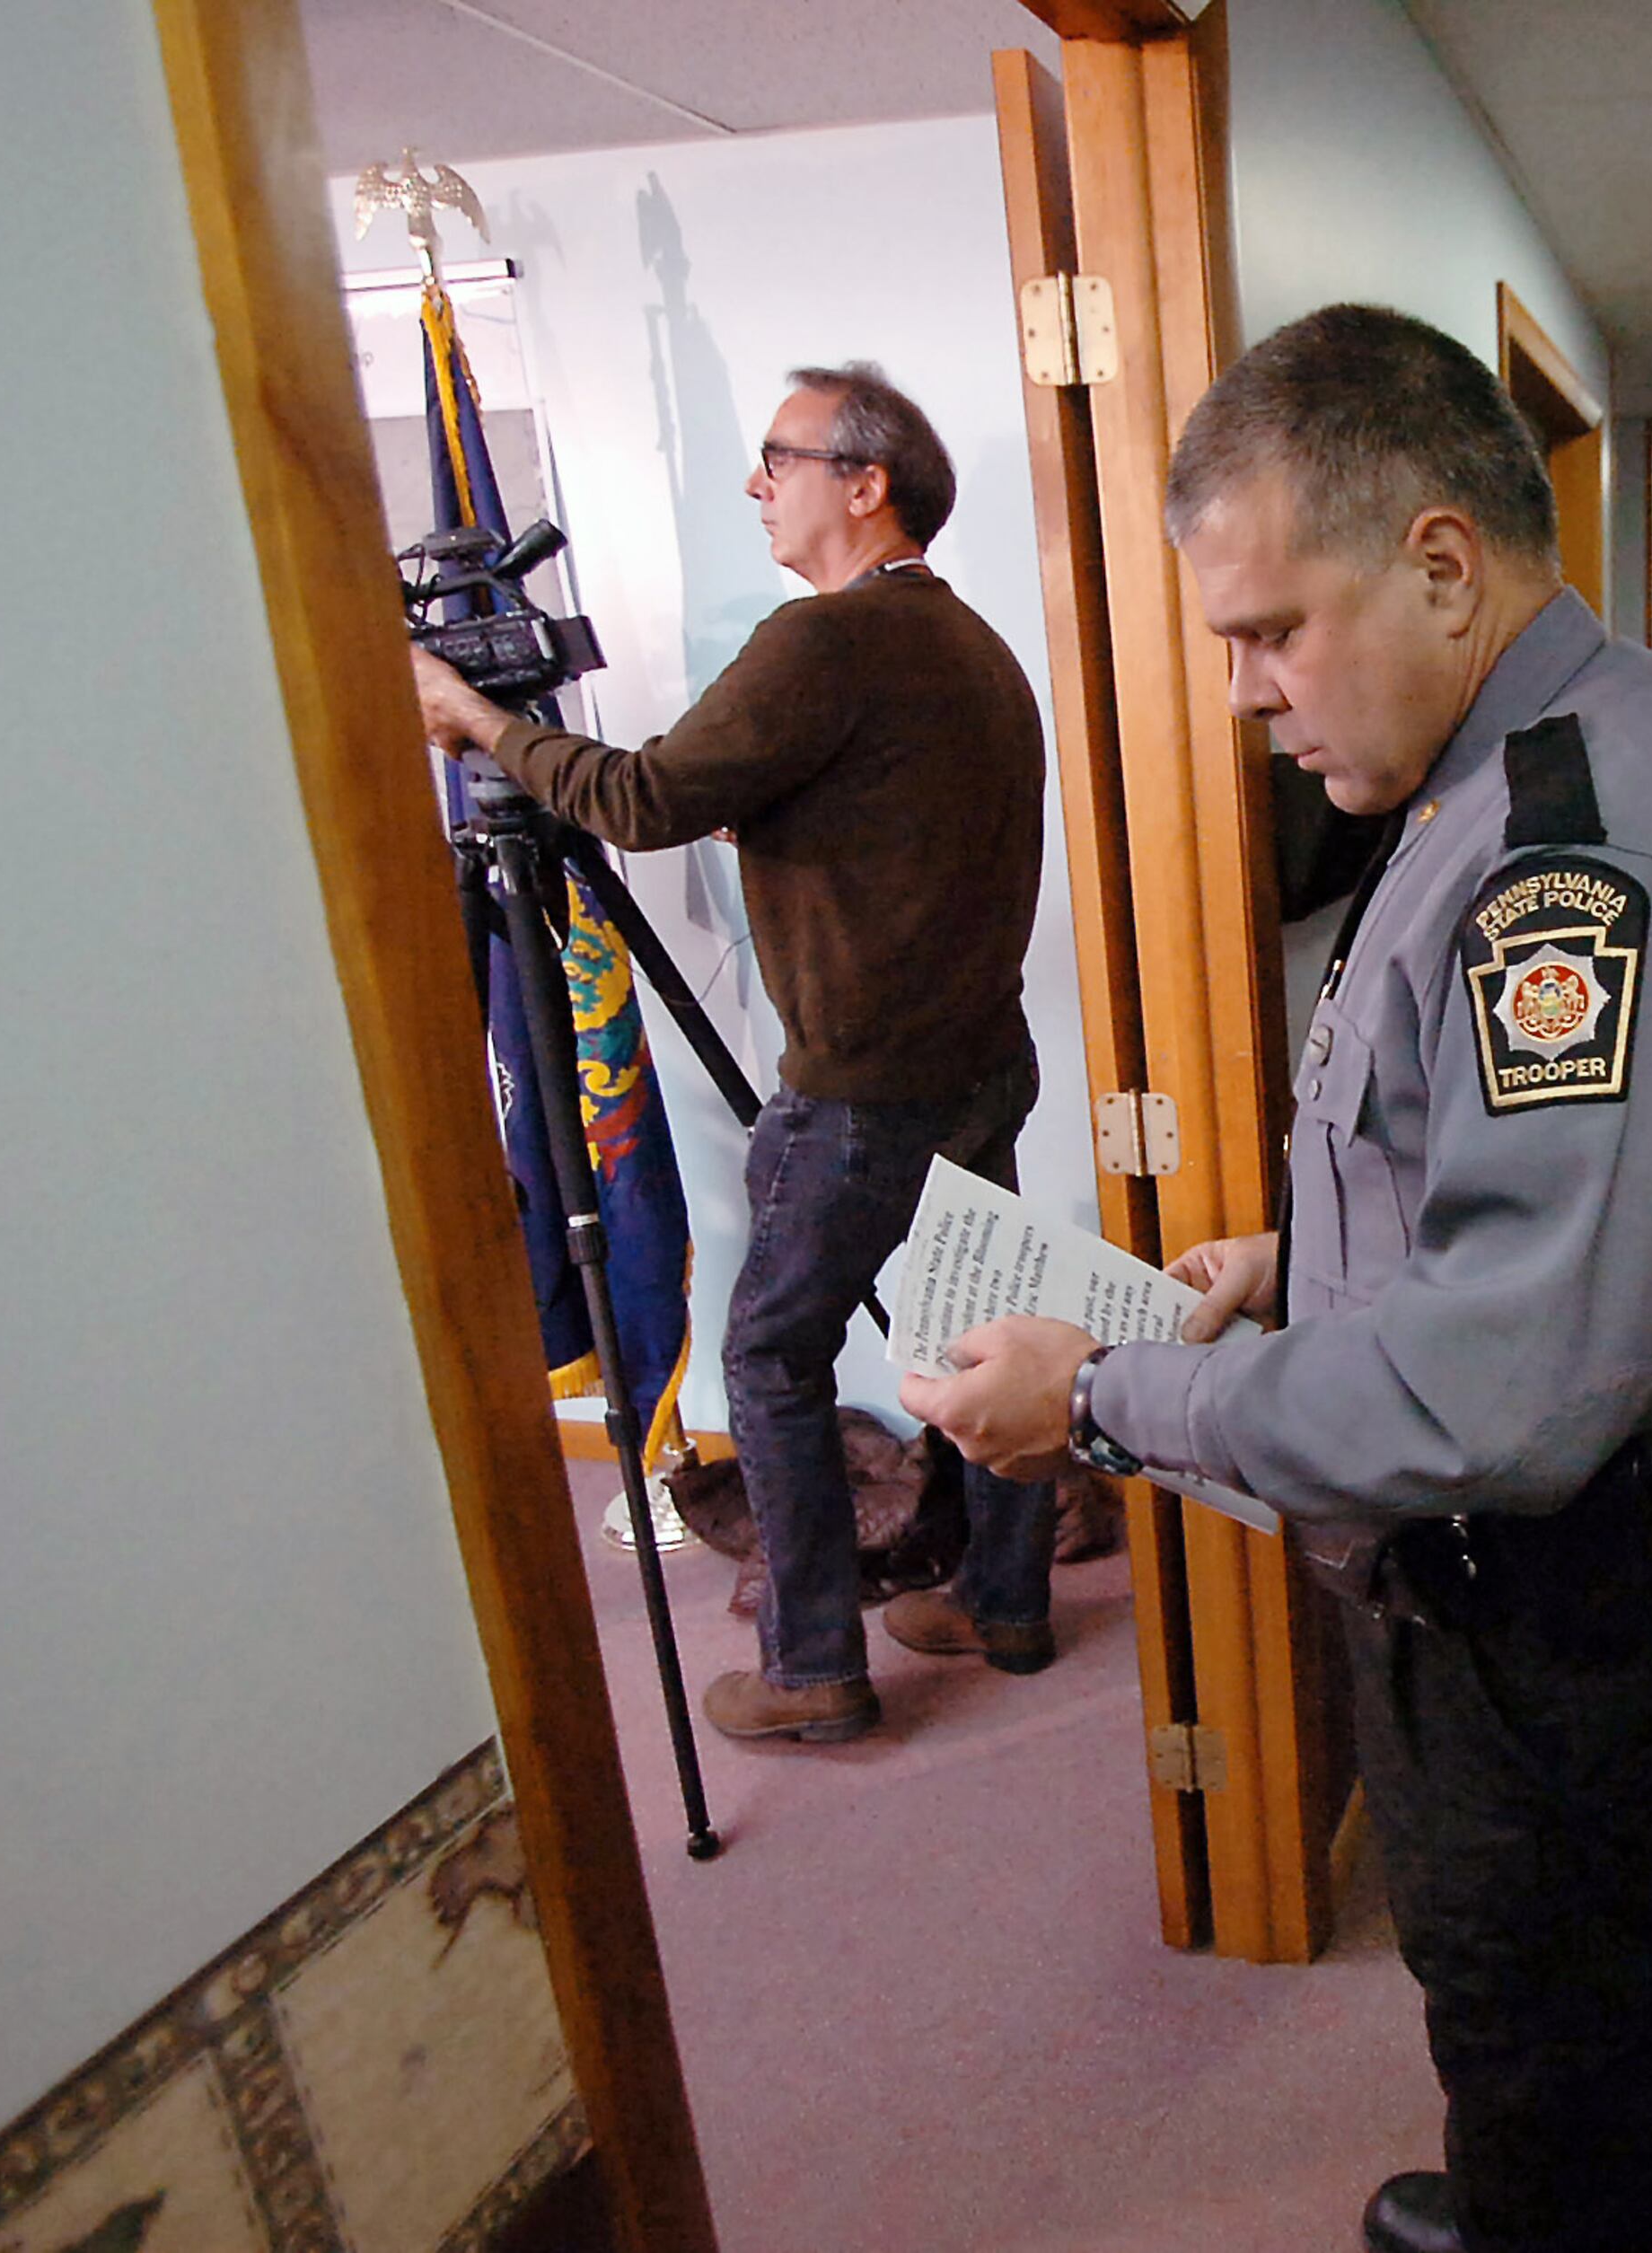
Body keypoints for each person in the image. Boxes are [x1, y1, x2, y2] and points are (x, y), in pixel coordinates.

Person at [905, 304, 1652, 2253]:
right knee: (1576, 2053)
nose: (1242, 689)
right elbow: (1524, 1179)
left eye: (1269, 630)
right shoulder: (1506, 778)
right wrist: (1301, 1255)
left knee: (1577, 2045)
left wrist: (1097, 1396)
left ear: (1439, 561)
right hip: (1589, 1587)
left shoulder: (1572, 866)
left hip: (1579, 1617)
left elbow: (1497, 1394)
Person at [413, 360, 1059, 1747]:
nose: (758, 485)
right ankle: (1004, 1601)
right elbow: (902, 831)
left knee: (770, 1355)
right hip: (978, 1062)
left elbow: (637, 798)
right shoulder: (973, 646)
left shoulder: (821, 642)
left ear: (866, 482)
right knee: (979, 1332)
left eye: (781, 458)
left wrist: (478, 723)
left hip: (865, 1088)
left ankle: (814, 1664)